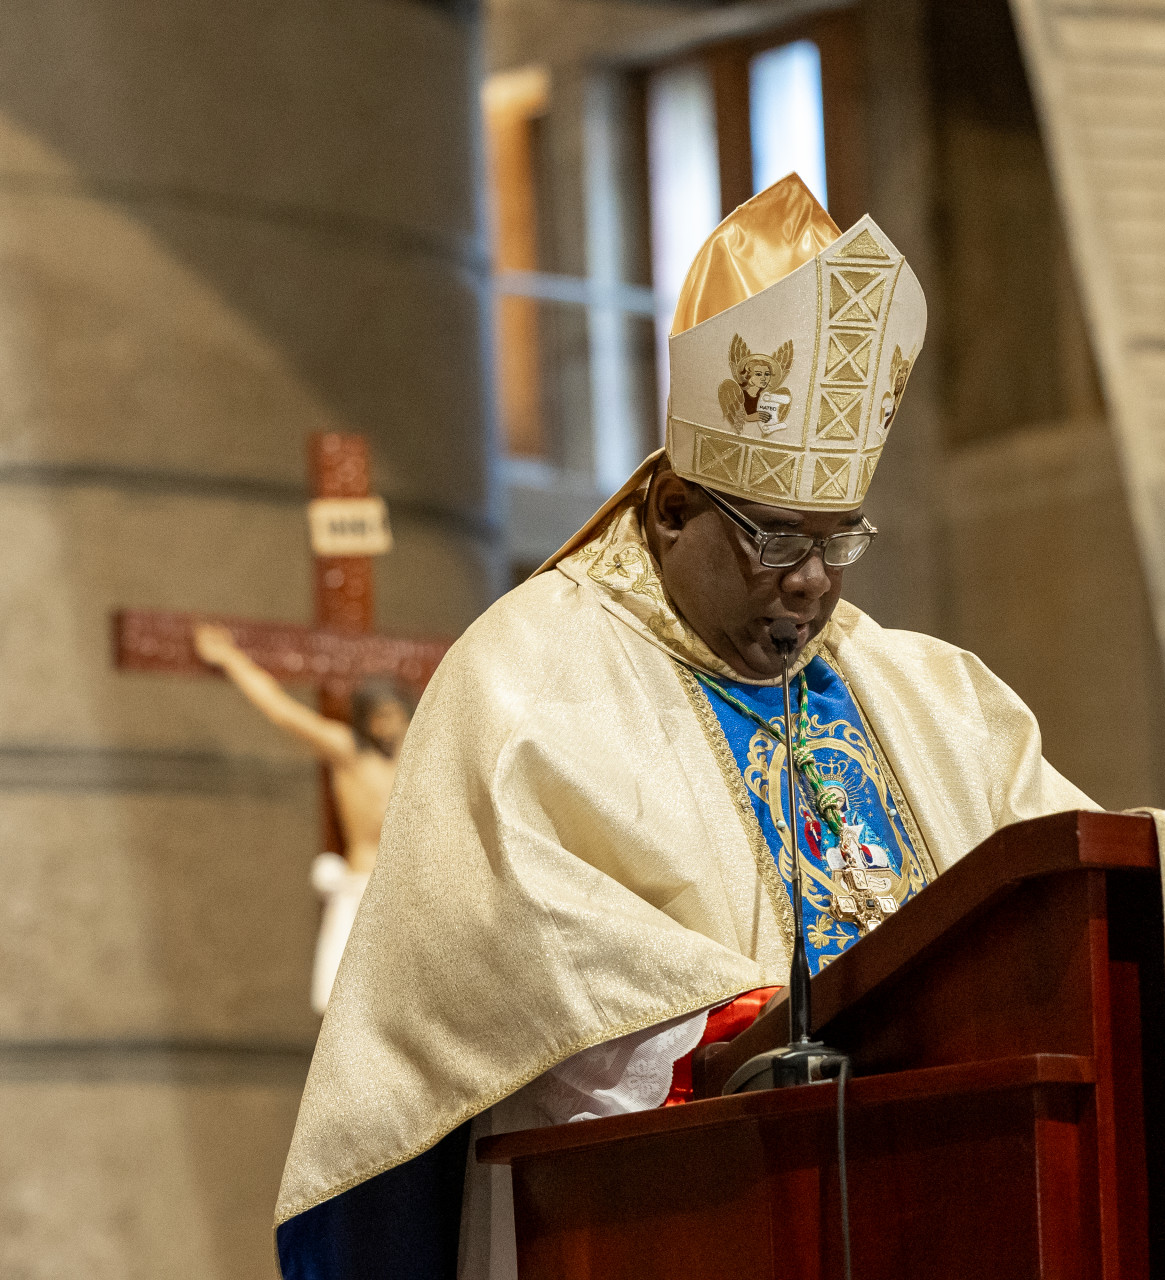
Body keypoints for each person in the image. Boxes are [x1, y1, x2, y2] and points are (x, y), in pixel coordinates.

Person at [272, 175, 1093, 1280]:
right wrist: (755, 1029)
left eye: (838, 542)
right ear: (671, 510)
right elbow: (515, 960)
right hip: (662, 1222)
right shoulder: (529, 674)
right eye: (774, 539)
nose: (811, 583)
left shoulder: (932, 695)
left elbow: (1071, 903)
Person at [191, 623, 412, 1014]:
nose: (388, 726)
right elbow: (284, 713)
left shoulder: (417, 756)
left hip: (407, 891)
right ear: (365, 718)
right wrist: (230, 659)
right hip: (360, 887)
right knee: (344, 1003)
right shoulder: (349, 751)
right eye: (380, 716)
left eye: (395, 715)